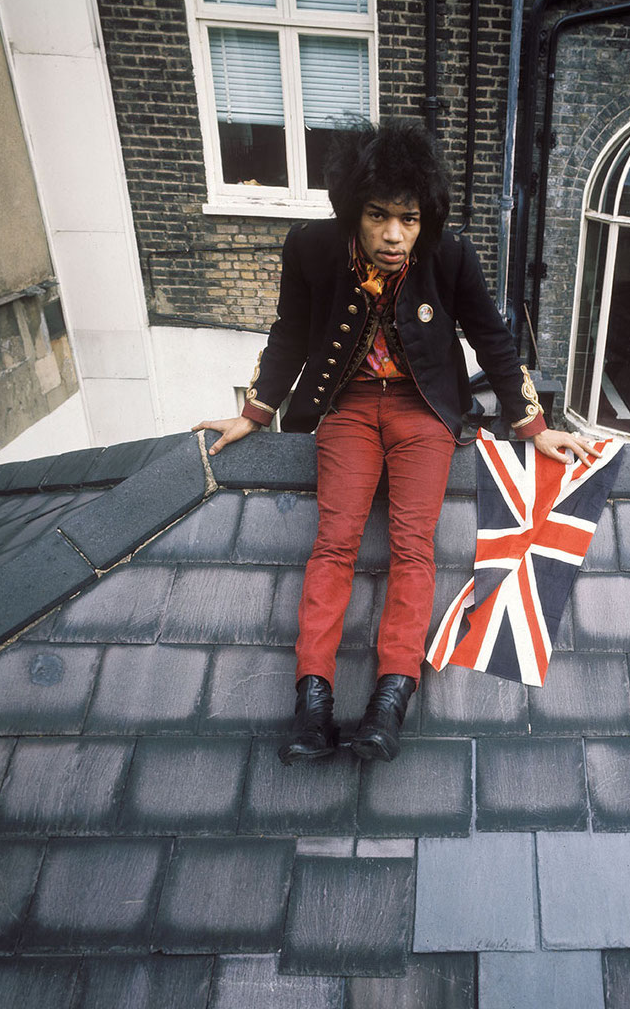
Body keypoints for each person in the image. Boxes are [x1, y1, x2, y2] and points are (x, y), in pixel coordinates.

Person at [193, 120, 596, 765]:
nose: (391, 235)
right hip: (347, 406)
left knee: (414, 547)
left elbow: (494, 341)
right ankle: (313, 699)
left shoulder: (450, 255)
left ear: (423, 217)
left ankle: (390, 700)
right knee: (334, 543)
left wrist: (534, 425)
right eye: (377, 216)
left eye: (407, 219)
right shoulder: (312, 248)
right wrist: (256, 411)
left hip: (424, 410)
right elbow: (291, 333)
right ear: (353, 209)